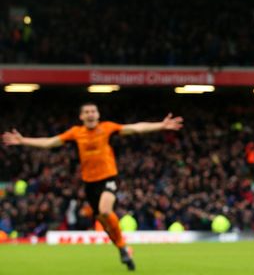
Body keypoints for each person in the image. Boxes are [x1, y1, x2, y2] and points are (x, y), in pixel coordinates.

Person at [2, 102, 184, 271]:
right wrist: (23, 140)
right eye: (86, 112)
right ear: (81, 117)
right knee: (105, 223)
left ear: (98, 115)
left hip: (109, 178)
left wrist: (160, 125)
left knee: (105, 211)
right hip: (90, 184)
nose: (90, 114)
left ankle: (122, 247)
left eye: (93, 111)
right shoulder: (75, 132)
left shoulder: (107, 128)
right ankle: (122, 249)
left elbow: (135, 128)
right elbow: (50, 142)